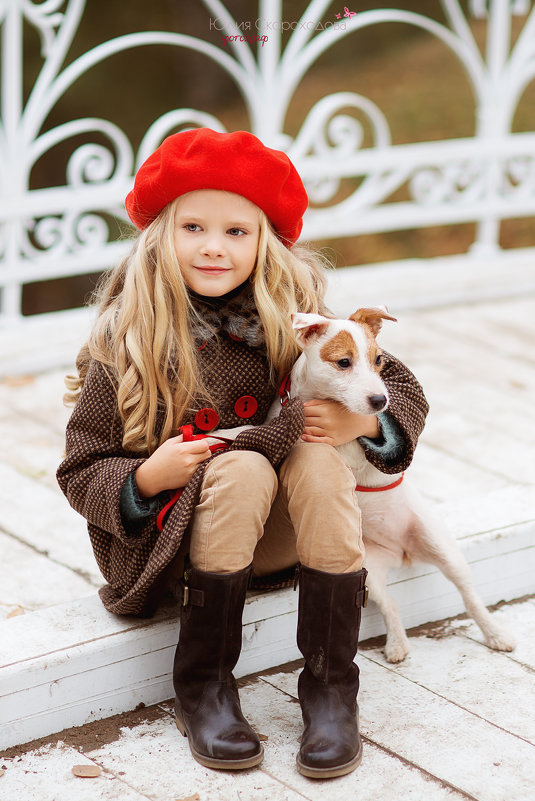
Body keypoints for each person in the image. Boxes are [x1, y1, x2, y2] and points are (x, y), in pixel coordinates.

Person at [57, 128, 428, 779]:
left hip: (286, 536)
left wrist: (357, 423)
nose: (212, 246)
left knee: (312, 457)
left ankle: (330, 684)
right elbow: (82, 465)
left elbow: (397, 386)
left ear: (264, 241)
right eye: (193, 226)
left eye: (236, 231)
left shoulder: (299, 320)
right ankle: (204, 683)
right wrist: (144, 475)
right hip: (183, 536)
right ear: (160, 235)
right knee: (242, 463)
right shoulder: (131, 338)